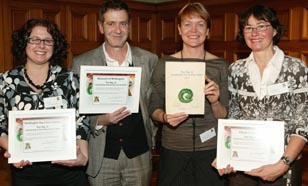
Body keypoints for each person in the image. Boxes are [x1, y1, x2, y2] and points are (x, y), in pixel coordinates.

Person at [212, 5, 308, 186]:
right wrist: (226, 155)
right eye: (248, 27)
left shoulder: (296, 68)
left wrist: (283, 164)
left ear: (275, 30)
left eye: (262, 26)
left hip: (282, 164)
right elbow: (234, 117)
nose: (254, 32)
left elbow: (304, 121)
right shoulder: (236, 70)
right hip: (243, 165)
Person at [71, 0, 158, 185]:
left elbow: (154, 103)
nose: (117, 30)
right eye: (111, 23)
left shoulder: (149, 60)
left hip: (139, 155)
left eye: (123, 23)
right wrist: (100, 120)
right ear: (101, 27)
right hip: (101, 156)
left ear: (129, 26)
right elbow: (75, 111)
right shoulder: (82, 63)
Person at [0, 18, 90, 186]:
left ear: (55, 46)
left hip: (68, 171)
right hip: (25, 171)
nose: (41, 45)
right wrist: (12, 149)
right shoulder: (5, 81)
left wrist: (83, 157)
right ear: (24, 43)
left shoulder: (70, 79)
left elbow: (82, 121)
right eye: (34, 39)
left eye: (48, 41)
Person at [149, 2, 229, 186]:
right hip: (173, 148)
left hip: (210, 149)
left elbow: (225, 115)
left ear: (208, 30)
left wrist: (215, 102)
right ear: (178, 29)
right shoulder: (164, 64)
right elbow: (153, 106)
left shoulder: (221, 65)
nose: (194, 30)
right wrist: (165, 117)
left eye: (200, 24)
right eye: (187, 24)